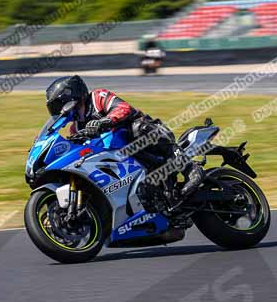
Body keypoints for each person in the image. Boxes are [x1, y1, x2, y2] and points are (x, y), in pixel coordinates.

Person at [44, 75, 205, 211]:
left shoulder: (98, 97)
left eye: (58, 105)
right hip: (122, 156)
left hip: (148, 134)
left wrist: (104, 121)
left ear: (71, 96)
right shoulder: (76, 127)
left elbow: (123, 108)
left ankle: (191, 169)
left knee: (138, 128)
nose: (59, 111)